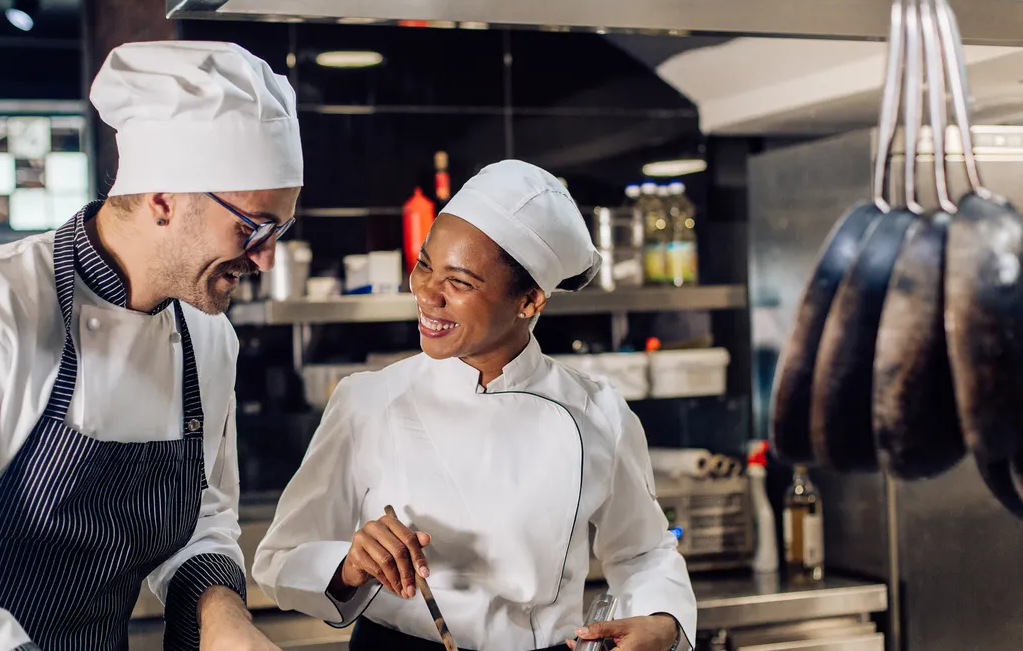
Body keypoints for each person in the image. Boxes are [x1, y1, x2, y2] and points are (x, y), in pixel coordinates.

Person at [0, 40, 301, 651]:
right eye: (254, 227)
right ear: (164, 199)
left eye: (281, 229)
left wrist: (225, 619)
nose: (267, 258)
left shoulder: (208, 337)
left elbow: (204, 521)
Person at [252, 160, 697, 651]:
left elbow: (644, 551)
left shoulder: (598, 413)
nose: (425, 293)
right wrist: (349, 565)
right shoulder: (368, 400)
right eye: (424, 264)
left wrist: (664, 622)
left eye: (459, 283)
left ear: (529, 301)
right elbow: (280, 559)